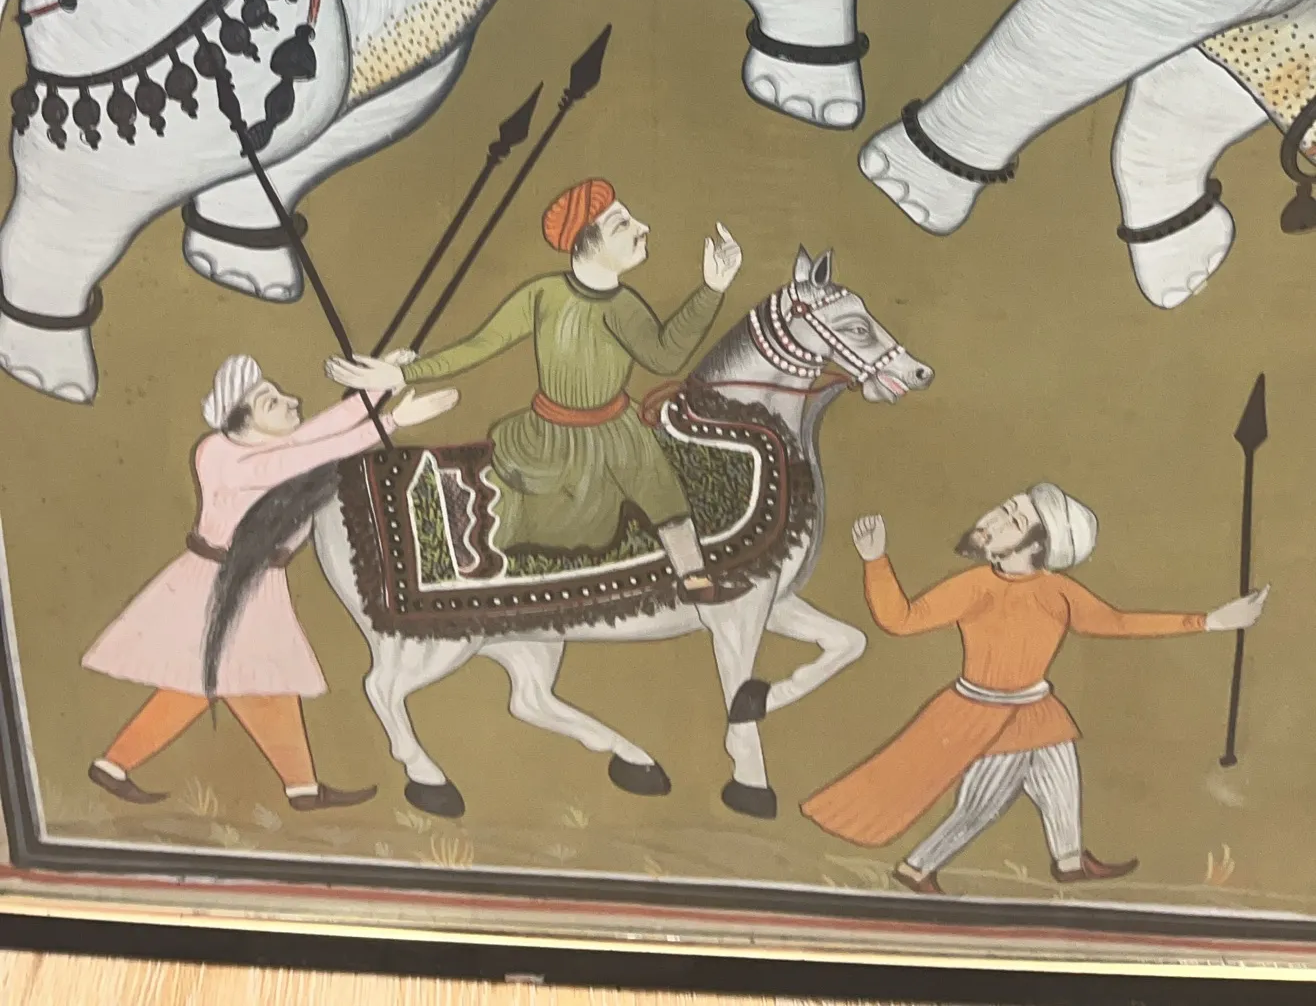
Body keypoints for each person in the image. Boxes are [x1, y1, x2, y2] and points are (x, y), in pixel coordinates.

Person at [801, 485, 1268, 895]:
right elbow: (901, 620)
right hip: (987, 714)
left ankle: (1069, 860)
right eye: (1004, 509)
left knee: (1062, 777)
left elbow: (1119, 622)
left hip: (1036, 707)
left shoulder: (1057, 592)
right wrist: (875, 561)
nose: (994, 520)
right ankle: (917, 866)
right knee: (982, 806)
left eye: (1013, 519)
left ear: (1037, 544)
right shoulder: (976, 586)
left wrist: (1209, 621)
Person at [328, 184, 742, 598]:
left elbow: (666, 357)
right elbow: (480, 345)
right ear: (587, 243)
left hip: (618, 432)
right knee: (519, 517)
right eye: (623, 224)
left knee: (663, 493)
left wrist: (713, 289)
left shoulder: (624, 305)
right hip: (548, 437)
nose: (643, 227)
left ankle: (694, 576)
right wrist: (402, 375)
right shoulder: (543, 294)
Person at [82, 354, 454, 809]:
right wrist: (391, 421)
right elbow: (309, 454)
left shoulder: (264, 447)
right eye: (271, 401)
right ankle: (295, 788)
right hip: (218, 584)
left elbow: (321, 431)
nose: (291, 401)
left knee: (246, 681)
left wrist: (383, 383)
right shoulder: (221, 455)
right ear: (242, 418)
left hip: (255, 585)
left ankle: (298, 787)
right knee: (229, 680)